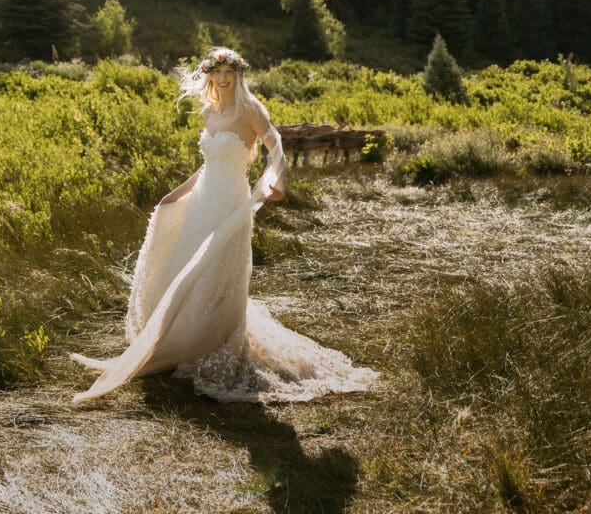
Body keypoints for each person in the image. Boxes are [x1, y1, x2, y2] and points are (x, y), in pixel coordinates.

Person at [70, 47, 379, 404]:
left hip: (232, 202)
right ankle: (183, 338)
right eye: (216, 73)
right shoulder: (210, 110)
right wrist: (177, 193)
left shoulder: (250, 110)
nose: (222, 79)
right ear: (209, 76)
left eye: (228, 73)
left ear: (238, 75)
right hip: (203, 200)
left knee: (217, 269)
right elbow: (207, 165)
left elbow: (274, 141)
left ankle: (213, 340)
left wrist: (278, 180)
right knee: (190, 267)